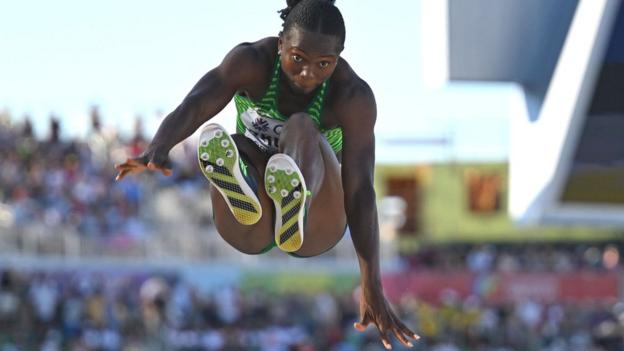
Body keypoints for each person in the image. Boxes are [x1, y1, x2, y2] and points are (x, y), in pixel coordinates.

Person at [114, 0, 419, 348]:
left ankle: (295, 202)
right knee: (235, 143)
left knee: (302, 126)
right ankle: (244, 186)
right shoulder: (252, 62)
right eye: (297, 59)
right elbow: (197, 101)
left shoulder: (352, 96)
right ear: (280, 45)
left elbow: (361, 190)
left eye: (324, 64)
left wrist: (371, 283)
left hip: (316, 225)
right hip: (249, 227)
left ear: (339, 58)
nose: (308, 74)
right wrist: (159, 145)